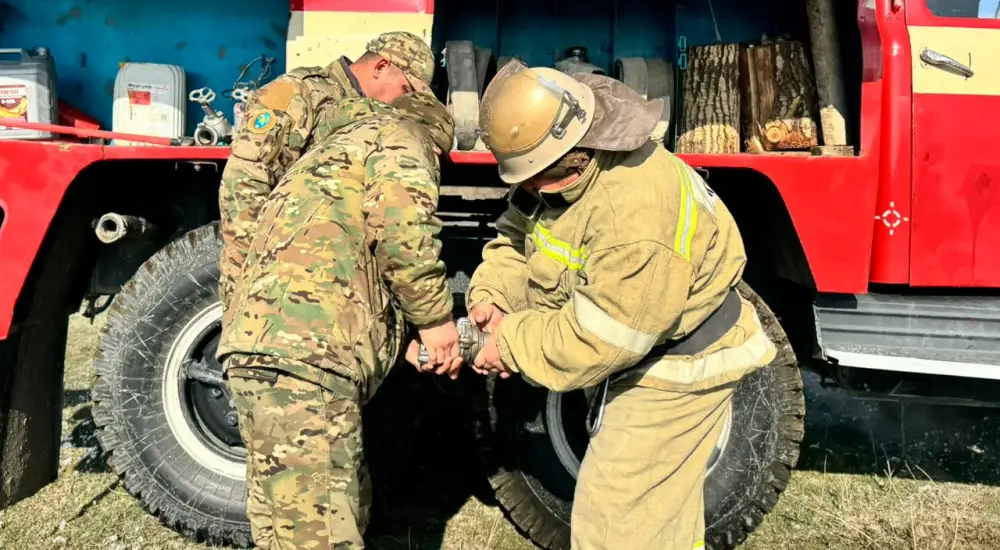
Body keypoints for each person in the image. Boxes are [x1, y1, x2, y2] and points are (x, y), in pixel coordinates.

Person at [465, 61, 778, 550]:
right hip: (643, 349)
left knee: (615, 526)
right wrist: (495, 296)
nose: (529, 189)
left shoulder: (636, 217)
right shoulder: (558, 163)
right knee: (659, 522)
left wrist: (508, 344)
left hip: (676, 370)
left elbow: (602, 338)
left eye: (536, 179)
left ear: (578, 154)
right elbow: (516, 235)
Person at [217, 89, 462, 550]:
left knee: (280, 524)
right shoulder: (403, 136)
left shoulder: (326, 156)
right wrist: (435, 321)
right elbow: (403, 232)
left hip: (254, 349)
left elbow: (346, 264)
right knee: (321, 534)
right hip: (309, 361)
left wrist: (396, 340)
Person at [218, 31, 436, 311]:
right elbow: (244, 187)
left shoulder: (371, 115)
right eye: (406, 91)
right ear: (381, 68)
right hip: (270, 285)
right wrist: (249, 282)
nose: (404, 104)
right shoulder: (299, 94)